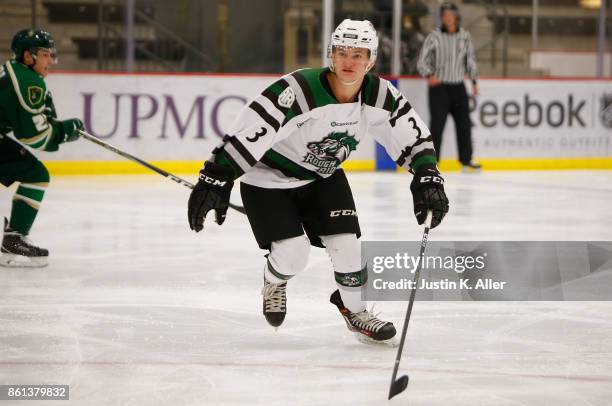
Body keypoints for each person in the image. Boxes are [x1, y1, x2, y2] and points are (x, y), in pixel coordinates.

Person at [188, 20, 449, 345]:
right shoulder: (299, 90)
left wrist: (427, 176)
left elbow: (412, 137)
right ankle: (274, 281)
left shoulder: (380, 95)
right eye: (342, 52)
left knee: (348, 247)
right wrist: (217, 176)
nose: (349, 61)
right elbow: (252, 130)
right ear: (330, 54)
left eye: (358, 54)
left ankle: (354, 310)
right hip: (268, 179)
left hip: (321, 176)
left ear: (370, 60)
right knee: (294, 254)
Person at [0, 29, 83, 267]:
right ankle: (13, 240)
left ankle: (13, 239)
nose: (50, 60)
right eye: (45, 54)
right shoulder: (26, 82)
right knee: (35, 174)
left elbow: (35, 120)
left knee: (34, 173)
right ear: (28, 57)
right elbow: (33, 136)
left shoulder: (17, 72)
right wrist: (65, 131)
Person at [417, 2, 480, 172]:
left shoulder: (464, 36)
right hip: (440, 89)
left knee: (464, 124)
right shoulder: (434, 36)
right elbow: (422, 60)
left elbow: (470, 60)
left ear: (456, 16)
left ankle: (466, 160)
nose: (448, 18)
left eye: (451, 14)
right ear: (442, 17)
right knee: (437, 125)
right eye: (445, 15)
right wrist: (429, 75)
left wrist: (474, 81)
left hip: (458, 87)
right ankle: (433, 161)